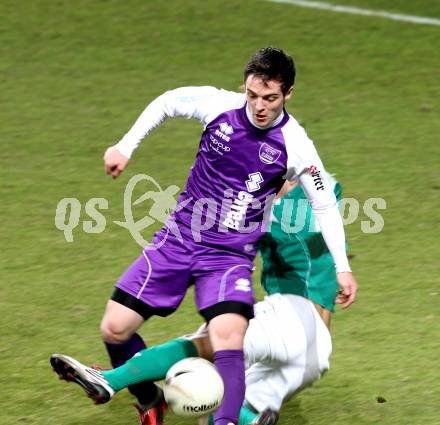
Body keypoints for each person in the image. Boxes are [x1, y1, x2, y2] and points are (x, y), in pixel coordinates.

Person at [51, 47, 357, 425]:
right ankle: (152, 401)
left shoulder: (297, 145)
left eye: (270, 98)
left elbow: (324, 204)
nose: (259, 106)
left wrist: (343, 267)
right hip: (177, 240)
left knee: (228, 335)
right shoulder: (218, 106)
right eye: (253, 95)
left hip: (228, 257)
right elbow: (168, 102)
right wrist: (125, 146)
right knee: (114, 328)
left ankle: (229, 421)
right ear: (244, 87)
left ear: (288, 93)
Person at [51, 175, 349, 425]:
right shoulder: (321, 191)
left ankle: (111, 380)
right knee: (216, 410)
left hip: (292, 316)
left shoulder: (268, 212)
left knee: (210, 342)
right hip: (317, 352)